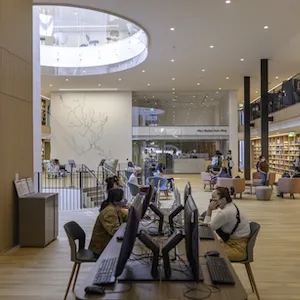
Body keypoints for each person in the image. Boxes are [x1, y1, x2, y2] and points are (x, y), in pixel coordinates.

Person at [204, 187, 250, 261]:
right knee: (207, 246)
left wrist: (209, 209)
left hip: (237, 248)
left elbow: (206, 230)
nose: (212, 202)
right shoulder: (232, 205)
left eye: (215, 199)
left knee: (205, 253)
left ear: (223, 199)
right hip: (234, 242)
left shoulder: (225, 213)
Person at [89, 189, 128, 258]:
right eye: (123, 198)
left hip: (107, 244)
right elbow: (115, 232)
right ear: (116, 201)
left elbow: (125, 215)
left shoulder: (115, 208)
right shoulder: (110, 211)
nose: (124, 200)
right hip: (101, 249)